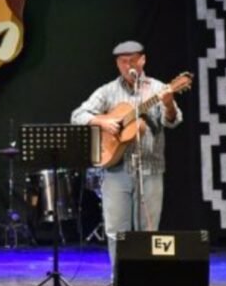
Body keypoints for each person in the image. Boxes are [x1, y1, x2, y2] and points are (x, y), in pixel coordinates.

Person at [71, 41, 183, 268]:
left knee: (147, 232)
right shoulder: (108, 91)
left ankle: (145, 283)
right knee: (115, 231)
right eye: (123, 61)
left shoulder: (158, 88)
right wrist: (102, 120)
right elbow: (77, 115)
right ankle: (118, 282)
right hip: (115, 169)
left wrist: (169, 104)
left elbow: (172, 121)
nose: (128, 65)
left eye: (133, 60)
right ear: (117, 64)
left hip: (150, 170)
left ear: (143, 60)